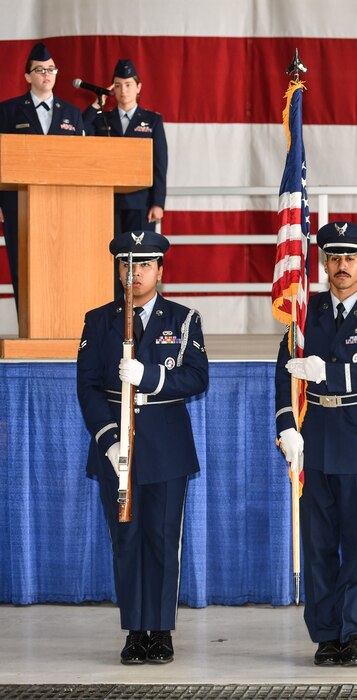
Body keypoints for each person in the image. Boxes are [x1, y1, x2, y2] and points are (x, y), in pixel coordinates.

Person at [75, 231, 209, 665]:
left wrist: (149, 377)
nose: (134, 273)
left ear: (160, 271)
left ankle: (161, 630)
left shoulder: (183, 319)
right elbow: (88, 387)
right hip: (117, 448)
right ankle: (135, 630)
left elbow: (197, 377)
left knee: (163, 540)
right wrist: (109, 440)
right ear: (118, 270)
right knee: (126, 540)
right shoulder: (99, 321)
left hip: (166, 446)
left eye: (144, 265)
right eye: (127, 265)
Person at [275, 221, 357, 667]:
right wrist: (286, 425)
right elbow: (284, 372)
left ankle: (352, 633)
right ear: (325, 264)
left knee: (355, 547)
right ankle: (326, 634)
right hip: (314, 437)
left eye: (350, 258)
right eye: (334, 258)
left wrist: (328, 372)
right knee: (318, 546)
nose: (342, 266)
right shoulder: (303, 312)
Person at [0, 42, 85, 310]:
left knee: (62, 266)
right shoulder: (8, 111)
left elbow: (81, 160)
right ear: (27, 76)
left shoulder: (72, 113)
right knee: (22, 266)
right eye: (39, 70)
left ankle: (61, 322)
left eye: (51, 69)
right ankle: (27, 324)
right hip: (18, 202)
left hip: (63, 202)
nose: (46, 74)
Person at [83, 58, 168, 236]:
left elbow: (159, 164)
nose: (123, 91)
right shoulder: (102, 119)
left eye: (128, 85)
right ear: (112, 89)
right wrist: (96, 105)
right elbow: (79, 132)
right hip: (108, 201)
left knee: (138, 251)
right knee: (109, 251)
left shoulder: (152, 120)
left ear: (139, 88)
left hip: (141, 203)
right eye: (118, 85)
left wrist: (158, 203)